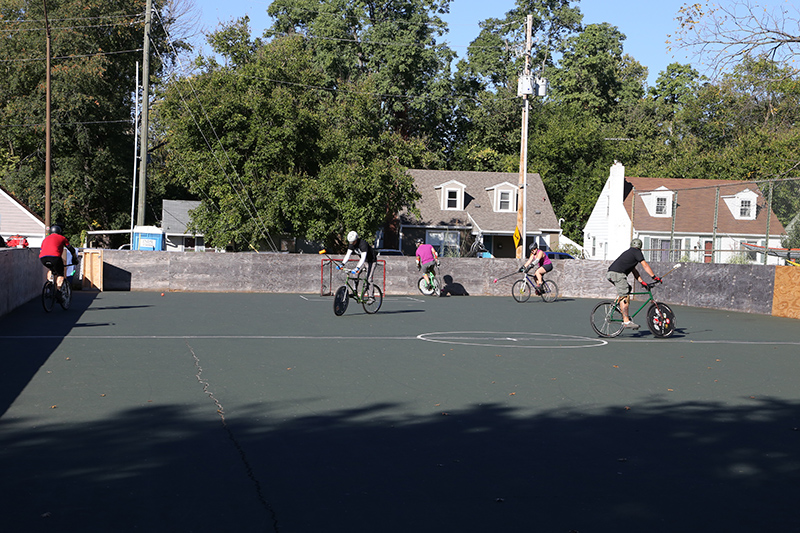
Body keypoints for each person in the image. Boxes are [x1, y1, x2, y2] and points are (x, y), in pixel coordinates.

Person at [606, 238, 661, 329]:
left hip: (612, 273)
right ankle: (626, 321)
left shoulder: (630, 253)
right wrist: (654, 277)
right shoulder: (637, 252)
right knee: (625, 295)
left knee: (628, 288)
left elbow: (634, 271)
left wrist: (642, 282)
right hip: (618, 274)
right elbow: (645, 265)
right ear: (640, 247)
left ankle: (615, 304)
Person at [39, 225, 79, 292]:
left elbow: (41, 250)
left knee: (51, 269)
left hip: (43, 258)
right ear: (59, 232)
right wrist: (74, 258)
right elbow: (71, 249)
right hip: (55, 257)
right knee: (60, 274)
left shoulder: (45, 239)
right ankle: (58, 290)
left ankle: (50, 283)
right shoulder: (62, 238)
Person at [340, 231, 377, 297]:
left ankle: (371, 296)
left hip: (371, 261)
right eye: (350, 242)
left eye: (353, 242)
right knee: (355, 274)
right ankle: (354, 291)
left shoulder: (363, 244)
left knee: (369, 279)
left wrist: (357, 267)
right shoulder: (351, 244)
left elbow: (363, 258)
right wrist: (342, 264)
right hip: (364, 261)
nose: (351, 243)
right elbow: (348, 255)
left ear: (356, 239)